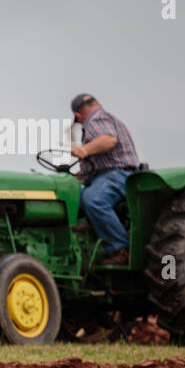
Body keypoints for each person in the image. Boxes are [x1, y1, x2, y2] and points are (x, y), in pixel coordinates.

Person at [70, 93, 139, 265]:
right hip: (105, 176)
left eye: (78, 122)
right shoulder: (107, 119)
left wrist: (84, 150)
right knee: (71, 199)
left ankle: (120, 249)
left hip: (119, 174)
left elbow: (109, 139)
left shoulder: (96, 119)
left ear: (78, 116)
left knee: (93, 199)